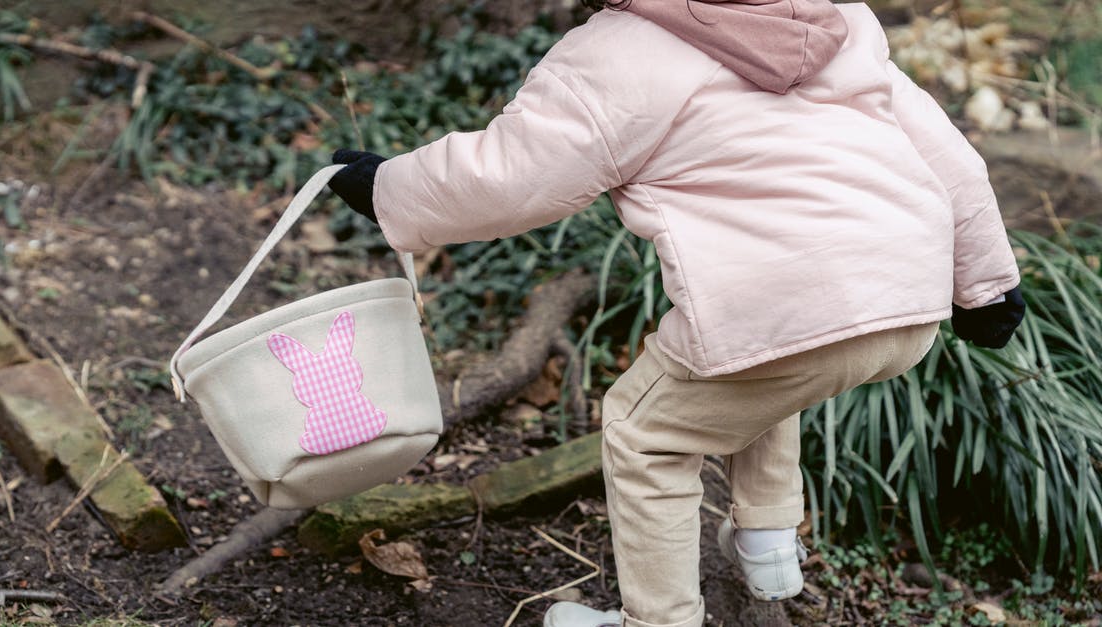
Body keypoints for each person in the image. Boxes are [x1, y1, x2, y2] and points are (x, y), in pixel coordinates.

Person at [326, 0, 1025, 625]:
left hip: (784, 299)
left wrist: (390, 187)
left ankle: (658, 618)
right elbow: (948, 155)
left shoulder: (620, 50)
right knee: (761, 366)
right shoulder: (833, 18)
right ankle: (769, 540)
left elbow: (507, 176)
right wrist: (987, 284)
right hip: (907, 296)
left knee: (643, 431)